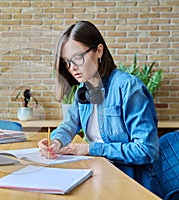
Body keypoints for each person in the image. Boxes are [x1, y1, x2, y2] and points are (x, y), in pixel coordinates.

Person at [38, 21, 162, 197]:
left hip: (132, 184)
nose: (72, 68)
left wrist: (90, 149)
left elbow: (146, 150)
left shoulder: (128, 87)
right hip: (99, 176)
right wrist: (56, 143)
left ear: (99, 51)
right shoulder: (83, 91)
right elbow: (68, 125)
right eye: (67, 62)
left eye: (77, 58)